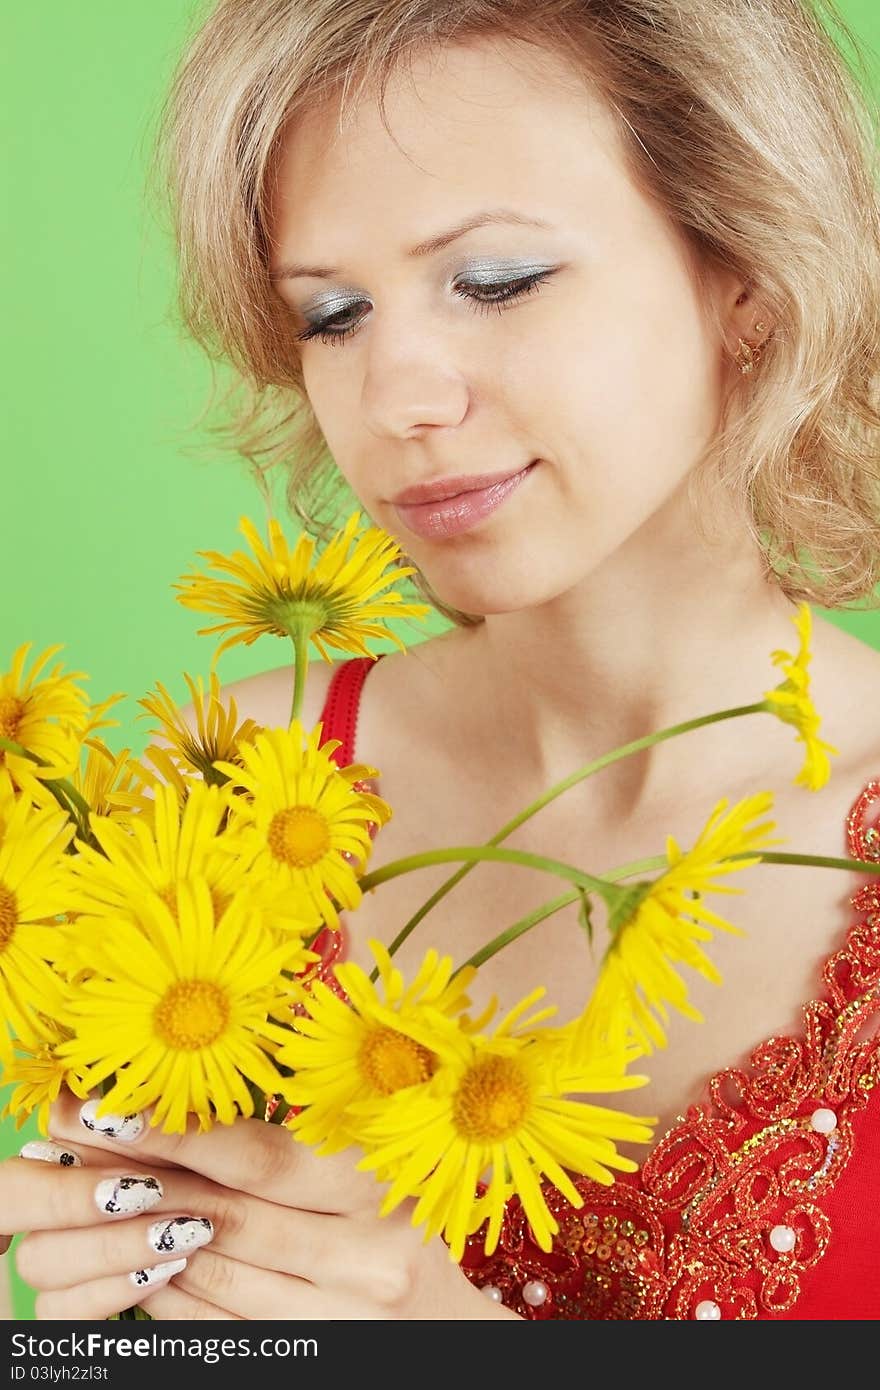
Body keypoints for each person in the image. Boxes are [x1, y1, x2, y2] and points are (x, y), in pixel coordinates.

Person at [4, 0, 880, 1320]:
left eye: (498, 282)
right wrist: (108, 1329)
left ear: (746, 270)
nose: (398, 397)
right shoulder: (215, 800)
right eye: (334, 313)